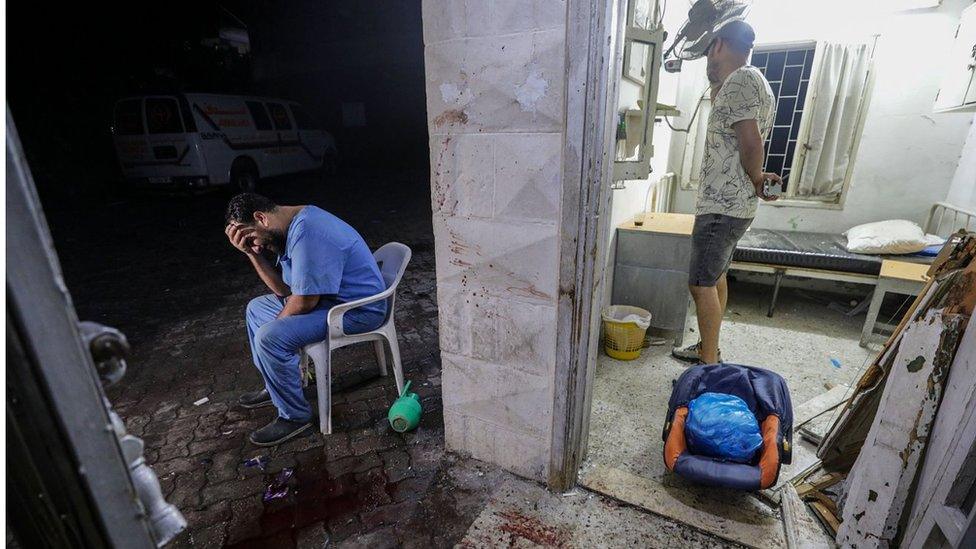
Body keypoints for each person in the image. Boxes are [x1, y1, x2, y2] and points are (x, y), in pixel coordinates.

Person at [224, 193, 387, 446]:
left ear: (260, 218)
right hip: (328, 303)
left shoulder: (309, 231)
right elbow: (284, 291)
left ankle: (295, 418)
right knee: (256, 308)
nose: (258, 246)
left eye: (253, 239)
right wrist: (251, 254)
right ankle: (276, 384)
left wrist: (278, 326)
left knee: (270, 337)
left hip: (357, 311)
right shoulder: (290, 228)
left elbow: (304, 302)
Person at [673, 21, 780, 365]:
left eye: (708, 52)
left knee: (700, 284)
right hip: (735, 206)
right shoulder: (755, 82)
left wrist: (756, 174)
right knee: (716, 277)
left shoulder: (740, 81)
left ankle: (709, 368)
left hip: (722, 206)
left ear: (718, 45)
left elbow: (750, 140)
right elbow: (742, 133)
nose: (707, 60)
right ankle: (710, 349)